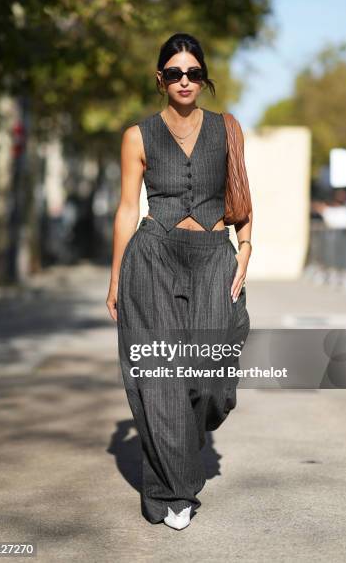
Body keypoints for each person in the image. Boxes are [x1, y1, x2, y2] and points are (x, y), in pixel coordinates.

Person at [106, 33, 253, 530]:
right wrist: (114, 281)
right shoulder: (137, 136)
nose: (184, 81)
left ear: (203, 76)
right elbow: (128, 210)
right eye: (174, 73)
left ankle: (182, 451)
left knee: (210, 379)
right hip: (153, 256)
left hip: (214, 255)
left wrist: (246, 249)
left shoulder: (228, 129)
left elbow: (241, 198)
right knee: (159, 377)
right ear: (160, 79)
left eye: (192, 72)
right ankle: (171, 490)